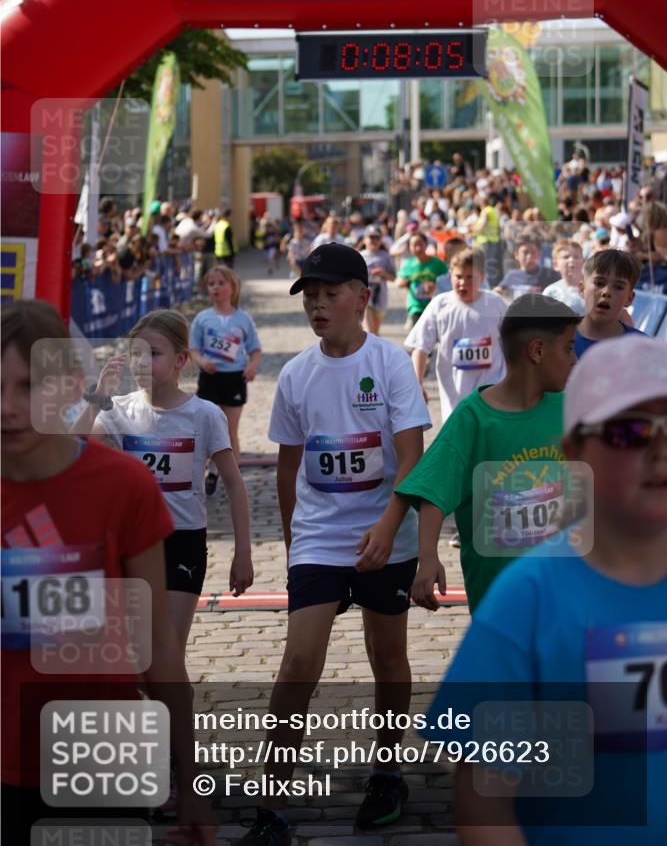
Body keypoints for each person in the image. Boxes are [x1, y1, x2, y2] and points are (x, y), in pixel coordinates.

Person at [427, 335, 667, 845]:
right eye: (631, 432)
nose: (660, 450)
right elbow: (485, 798)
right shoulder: (530, 599)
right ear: (574, 451)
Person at [1, 300, 216, 846]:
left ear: (71, 386)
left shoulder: (123, 486)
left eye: (27, 387)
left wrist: (189, 778)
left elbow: (157, 647)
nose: (7, 407)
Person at [239, 243, 431, 845]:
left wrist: (388, 524)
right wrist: (297, 541)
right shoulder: (296, 373)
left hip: (386, 535)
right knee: (299, 661)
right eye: (311, 297)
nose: (318, 306)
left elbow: (411, 457)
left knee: (387, 658)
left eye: (330, 294)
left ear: (362, 298)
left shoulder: (392, 362)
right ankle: (272, 805)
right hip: (321, 539)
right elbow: (288, 466)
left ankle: (386, 773)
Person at [75, 309, 254, 667]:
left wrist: (243, 554)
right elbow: (72, 450)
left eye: (153, 353)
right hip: (132, 543)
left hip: (182, 541)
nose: (142, 362)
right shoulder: (118, 410)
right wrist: (98, 398)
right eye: (135, 353)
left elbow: (235, 485)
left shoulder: (204, 415)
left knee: (166, 656)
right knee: (137, 658)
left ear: (181, 360)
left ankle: (177, 720)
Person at [396, 295, 581, 613]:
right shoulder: (473, 418)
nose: (575, 359)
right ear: (537, 351)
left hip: (567, 590)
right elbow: (433, 491)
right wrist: (427, 558)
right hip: (500, 601)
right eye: (568, 347)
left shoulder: (573, 409)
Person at [405, 247, 507, 422]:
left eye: (470, 277)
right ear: (450, 275)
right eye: (458, 277)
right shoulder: (440, 305)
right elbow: (420, 347)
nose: (463, 283)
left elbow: (514, 343)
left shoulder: (496, 304)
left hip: (493, 390)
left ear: (482, 278)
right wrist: (417, 385)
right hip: (455, 396)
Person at [190, 266, 262, 469]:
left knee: (230, 431)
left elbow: (255, 349)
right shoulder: (202, 318)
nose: (215, 287)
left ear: (233, 287)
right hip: (209, 378)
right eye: (211, 284)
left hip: (234, 378)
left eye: (221, 283)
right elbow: (193, 349)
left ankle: (231, 476)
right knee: (206, 430)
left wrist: (252, 366)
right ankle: (202, 474)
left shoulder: (243, 319)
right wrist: (202, 362)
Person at [575, 249, 647, 358]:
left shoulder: (644, 349)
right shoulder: (556, 339)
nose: (607, 292)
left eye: (618, 287)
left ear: (629, 298)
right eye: (599, 283)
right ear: (582, 289)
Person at [397, 231, 448, 328]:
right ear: (409, 247)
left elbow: (447, 281)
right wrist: (403, 282)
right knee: (418, 332)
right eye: (414, 245)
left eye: (420, 244)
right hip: (416, 305)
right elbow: (399, 281)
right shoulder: (408, 264)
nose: (418, 248)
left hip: (434, 305)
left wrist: (435, 286)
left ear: (426, 244)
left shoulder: (438, 263)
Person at [495, 236, 558, 301]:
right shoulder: (511, 276)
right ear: (516, 255)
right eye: (525, 252)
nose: (529, 256)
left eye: (533, 252)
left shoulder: (549, 275)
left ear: (538, 254)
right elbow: (498, 292)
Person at [360, 225, 396, 336]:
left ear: (381, 240)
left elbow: (394, 278)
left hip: (380, 296)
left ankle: (375, 350)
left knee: (375, 332)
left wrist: (383, 273)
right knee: (368, 330)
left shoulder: (385, 256)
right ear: (364, 240)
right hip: (364, 294)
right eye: (371, 238)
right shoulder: (360, 255)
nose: (374, 241)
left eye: (377, 238)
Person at [543, 238, 586, 315]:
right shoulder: (551, 292)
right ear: (555, 265)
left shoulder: (594, 288)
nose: (571, 260)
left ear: (583, 261)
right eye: (566, 257)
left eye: (576, 257)